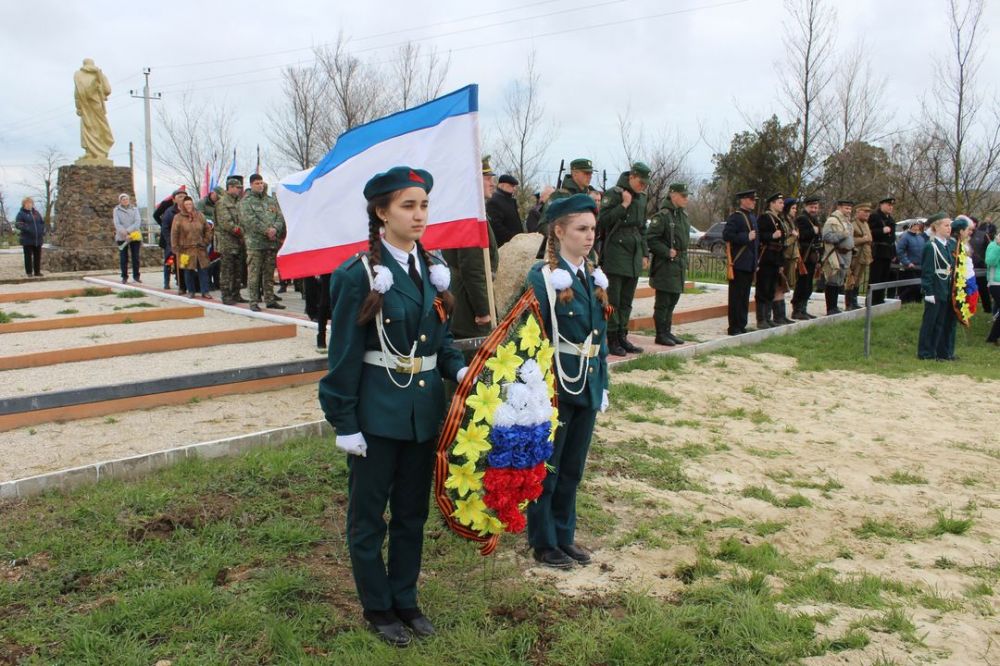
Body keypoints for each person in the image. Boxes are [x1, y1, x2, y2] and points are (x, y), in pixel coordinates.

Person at [318, 166, 468, 647]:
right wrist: (343, 420)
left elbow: (439, 339)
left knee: (411, 515)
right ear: (381, 213)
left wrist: (461, 370)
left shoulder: (434, 267)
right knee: (368, 519)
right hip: (377, 417)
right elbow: (342, 353)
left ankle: (405, 599)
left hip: (423, 414)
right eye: (408, 205)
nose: (419, 214)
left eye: (423, 204)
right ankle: (378, 608)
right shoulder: (360, 274)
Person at [525, 193, 609, 569]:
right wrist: (534, 390)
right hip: (557, 384)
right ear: (559, 231)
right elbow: (530, 335)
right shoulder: (542, 278)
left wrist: (602, 382)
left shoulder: (593, 275)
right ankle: (543, 541)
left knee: (572, 466)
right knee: (550, 466)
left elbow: (600, 334)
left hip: (587, 382)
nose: (589, 236)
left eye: (592, 228)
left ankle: (564, 534)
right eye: (581, 228)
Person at [441, 156, 499, 341]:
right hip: (470, 311)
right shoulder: (470, 217)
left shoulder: (466, 211)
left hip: (464, 304)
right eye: (487, 177)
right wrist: (483, 310)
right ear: (472, 181)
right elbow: (473, 269)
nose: (492, 183)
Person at [598, 161, 651, 356]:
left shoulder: (642, 198)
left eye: (645, 184)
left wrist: (645, 253)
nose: (643, 186)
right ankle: (612, 338)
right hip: (616, 253)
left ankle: (622, 336)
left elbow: (642, 228)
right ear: (632, 176)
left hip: (634, 254)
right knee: (614, 299)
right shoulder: (615, 193)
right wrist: (624, 204)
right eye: (640, 182)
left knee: (627, 301)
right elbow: (602, 220)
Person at [646, 183, 690, 346]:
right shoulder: (663, 216)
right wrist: (666, 251)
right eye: (683, 196)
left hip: (678, 263)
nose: (686, 199)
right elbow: (651, 239)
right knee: (663, 301)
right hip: (666, 264)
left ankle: (667, 331)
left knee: (673, 299)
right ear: (673, 195)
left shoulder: (682, 215)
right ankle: (660, 333)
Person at [240, 174, 286, 312]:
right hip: (255, 244)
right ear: (251, 185)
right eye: (257, 183)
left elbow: (280, 217)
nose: (260, 185)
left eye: (261, 183)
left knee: (269, 273)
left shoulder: (271, 201)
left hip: (271, 244)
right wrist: (267, 231)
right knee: (254, 274)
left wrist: (275, 229)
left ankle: (270, 299)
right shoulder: (246, 202)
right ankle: (254, 301)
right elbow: (249, 221)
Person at [918, 213, 956, 360]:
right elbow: (927, 271)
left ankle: (935, 351)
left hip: (945, 287)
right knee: (930, 322)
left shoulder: (947, 245)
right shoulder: (931, 246)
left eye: (950, 225)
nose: (949, 228)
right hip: (935, 288)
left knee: (940, 323)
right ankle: (925, 352)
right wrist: (928, 290)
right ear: (936, 227)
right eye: (946, 225)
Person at [723, 189, 759, 335]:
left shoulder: (752, 217)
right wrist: (746, 236)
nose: (753, 202)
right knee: (736, 297)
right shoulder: (736, 217)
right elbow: (727, 235)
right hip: (739, 263)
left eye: (754, 199)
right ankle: (734, 327)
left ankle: (741, 324)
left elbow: (756, 242)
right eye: (751, 199)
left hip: (749, 263)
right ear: (743, 200)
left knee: (744, 296)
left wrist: (756, 261)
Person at [170, 197, 213, 298]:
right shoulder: (178, 217)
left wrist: (206, 241)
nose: (189, 206)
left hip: (200, 248)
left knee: (203, 270)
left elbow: (207, 229)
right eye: (186, 204)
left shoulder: (200, 215)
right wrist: (175, 246)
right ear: (183, 206)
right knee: (188, 271)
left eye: (190, 204)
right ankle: (191, 291)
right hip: (186, 249)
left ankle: (205, 291)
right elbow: (174, 233)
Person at [755, 192, 787, 329]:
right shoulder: (765, 217)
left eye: (782, 203)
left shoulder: (779, 219)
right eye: (779, 203)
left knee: (771, 289)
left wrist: (781, 263)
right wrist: (771, 235)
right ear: (772, 203)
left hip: (776, 258)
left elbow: (782, 242)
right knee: (763, 288)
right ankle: (761, 319)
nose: (782, 205)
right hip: (766, 258)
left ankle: (768, 317)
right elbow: (759, 236)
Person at [214, 176, 246, 305]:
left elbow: (244, 219)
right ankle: (226, 295)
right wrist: (242, 232)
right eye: (237, 188)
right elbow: (226, 223)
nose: (239, 190)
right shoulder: (222, 203)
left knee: (238, 270)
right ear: (230, 187)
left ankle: (236, 294)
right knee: (227, 270)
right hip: (227, 242)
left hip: (239, 242)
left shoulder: (239, 202)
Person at [820, 199, 854, 315]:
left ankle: (834, 306)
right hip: (835, 254)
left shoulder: (846, 221)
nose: (849, 211)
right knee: (832, 280)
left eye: (850, 208)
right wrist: (842, 235)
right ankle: (831, 308)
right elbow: (826, 236)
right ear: (839, 207)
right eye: (846, 208)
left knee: (839, 281)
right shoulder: (833, 220)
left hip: (845, 255)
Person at [791, 196, 822, 319]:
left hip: (812, 255)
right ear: (806, 207)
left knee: (809, 284)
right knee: (803, 283)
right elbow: (801, 236)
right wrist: (813, 231)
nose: (814, 209)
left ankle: (803, 309)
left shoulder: (814, 220)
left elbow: (819, 236)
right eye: (812, 207)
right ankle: (797, 309)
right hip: (805, 255)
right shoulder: (802, 219)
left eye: (816, 207)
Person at [845, 202, 874, 310]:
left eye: (868, 212)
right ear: (858, 212)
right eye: (865, 212)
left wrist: (867, 239)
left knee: (859, 280)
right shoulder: (853, 224)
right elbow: (850, 240)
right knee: (852, 279)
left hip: (864, 255)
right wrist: (864, 239)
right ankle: (849, 303)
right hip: (856, 256)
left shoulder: (866, 224)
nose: (867, 214)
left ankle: (854, 300)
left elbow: (870, 238)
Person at [868, 196, 897, 304]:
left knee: (884, 277)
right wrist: (881, 231)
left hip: (887, 252)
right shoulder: (875, 216)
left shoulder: (890, 219)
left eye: (892, 206)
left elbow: (892, 238)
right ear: (882, 205)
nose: (891, 207)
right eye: (888, 205)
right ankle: (872, 300)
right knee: (876, 276)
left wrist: (893, 252)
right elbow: (869, 232)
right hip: (878, 251)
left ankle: (880, 298)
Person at [157, 189, 187, 290]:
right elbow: (165, 228)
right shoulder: (169, 212)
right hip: (170, 242)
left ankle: (181, 282)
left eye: (184, 196)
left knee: (183, 262)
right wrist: (170, 242)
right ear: (174, 199)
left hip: (185, 242)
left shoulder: (188, 210)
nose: (182, 199)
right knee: (169, 261)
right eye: (180, 197)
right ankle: (166, 282)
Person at [778, 197, 801, 323]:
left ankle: (782, 314)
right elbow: (784, 242)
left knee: (787, 286)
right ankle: (779, 315)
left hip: (792, 256)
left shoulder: (792, 221)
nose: (795, 211)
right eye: (793, 208)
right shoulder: (784, 222)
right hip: (785, 256)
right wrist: (793, 237)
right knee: (782, 285)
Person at [113, 193, 142, 284]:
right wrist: (124, 232)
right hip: (122, 236)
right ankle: (124, 276)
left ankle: (136, 276)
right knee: (123, 258)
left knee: (135, 257)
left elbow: (137, 221)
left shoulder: (134, 209)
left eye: (126, 199)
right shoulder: (116, 210)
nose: (125, 201)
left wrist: (129, 231)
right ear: (120, 201)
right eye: (123, 199)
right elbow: (117, 223)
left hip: (134, 235)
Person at [487, 174, 523, 247]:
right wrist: (512, 238)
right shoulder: (494, 201)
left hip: (515, 244)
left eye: (514, 186)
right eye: (511, 186)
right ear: (502, 185)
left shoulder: (509, 200)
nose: (514, 189)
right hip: (504, 245)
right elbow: (496, 226)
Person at [895, 220, 927, 303]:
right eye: (915, 225)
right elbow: (900, 251)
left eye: (918, 225)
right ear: (911, 226)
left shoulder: (920, 238)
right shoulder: (905, 237)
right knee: (912, 286)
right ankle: (902, 299)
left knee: (919, 286)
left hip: (920, 266)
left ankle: (917, 301)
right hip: (910, 266)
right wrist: (907, 262)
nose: (917, 227)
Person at [15, 197, 45, 277]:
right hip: (27, 239)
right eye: (27, 203)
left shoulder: (36, 213)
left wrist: (42, 230)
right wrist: (27, 228)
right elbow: (18, 224)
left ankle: (37, 272)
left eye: (30, 203)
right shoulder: (21, 214)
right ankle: (29, 272)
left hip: (37, 239)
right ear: (24, 205)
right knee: (28, 256)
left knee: (37, 256)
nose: (29, 205)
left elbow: (42, 223)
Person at [969, 215, 993, 313]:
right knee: (969, 290)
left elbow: (990, 248)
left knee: (983, 290)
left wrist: (985, 261)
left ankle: (987, 309)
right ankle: (968, 310)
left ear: (975, 224)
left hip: (981, 267)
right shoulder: (964, 235)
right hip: (967, 267)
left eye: (971, 222)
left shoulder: (983, 234)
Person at [984, 228, 1000, 345]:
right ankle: (993, 337)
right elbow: (990, 262)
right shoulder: (993, 246)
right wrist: (999, 247)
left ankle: (993, 337)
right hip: (996, 283)